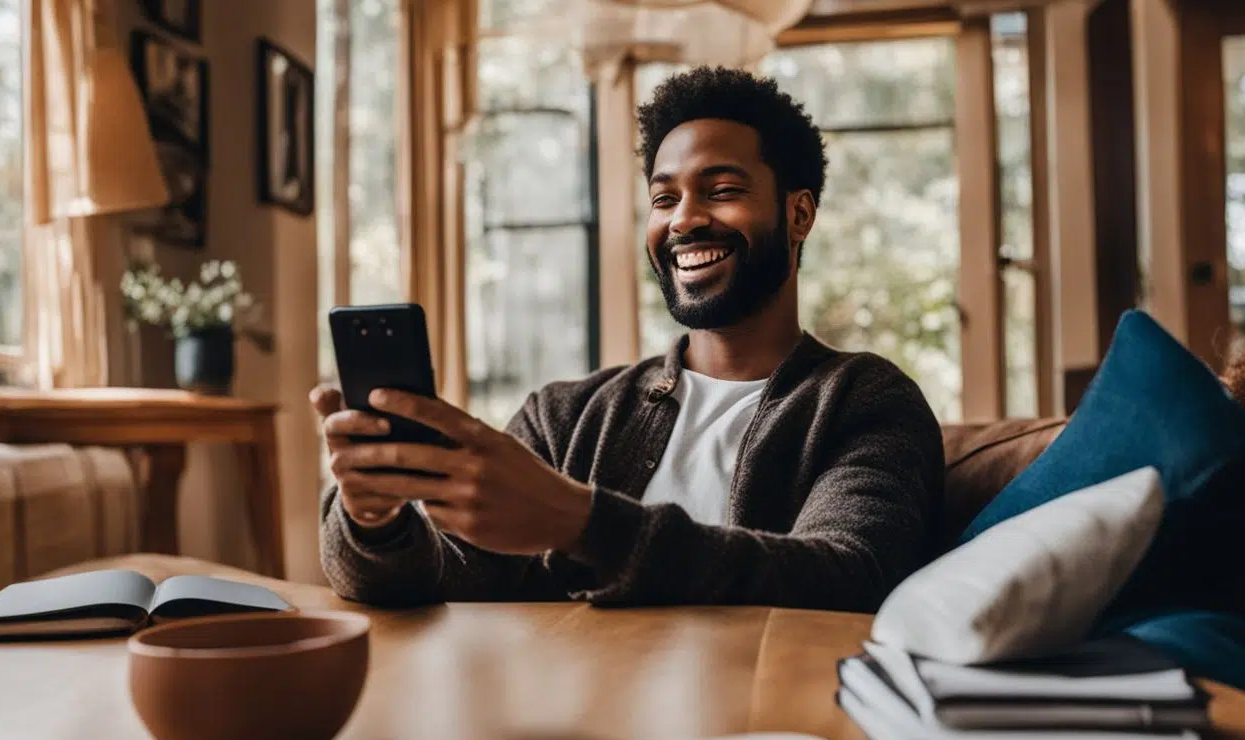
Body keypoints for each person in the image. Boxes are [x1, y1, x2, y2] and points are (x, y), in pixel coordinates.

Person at [312, 67, 945, 610]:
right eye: (663, 198)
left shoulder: (864, 400)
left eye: (722, 191)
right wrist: (374, 518)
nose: (685, 220)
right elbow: (442, 577)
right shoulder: (565, 417)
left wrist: (581, 522)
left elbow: (848, 579)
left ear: (798, 213)